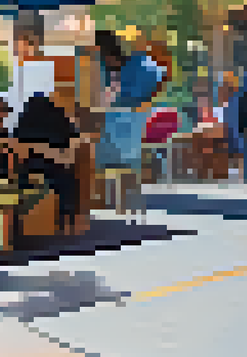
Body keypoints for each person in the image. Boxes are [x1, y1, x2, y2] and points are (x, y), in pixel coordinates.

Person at [94, 30, 167, 215]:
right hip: (130, 130)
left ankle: (110, 200)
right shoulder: (138, 67)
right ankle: (124, 201)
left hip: (118, 130)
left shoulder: (135, 68)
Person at [12, 95, 87, 234]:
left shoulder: (26, 121)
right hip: (56, 167)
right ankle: (66, 220)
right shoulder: (60, 119)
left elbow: (18, 144)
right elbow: (73, 139)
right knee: (67, 181)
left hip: (32, 167)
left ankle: (21, 222)